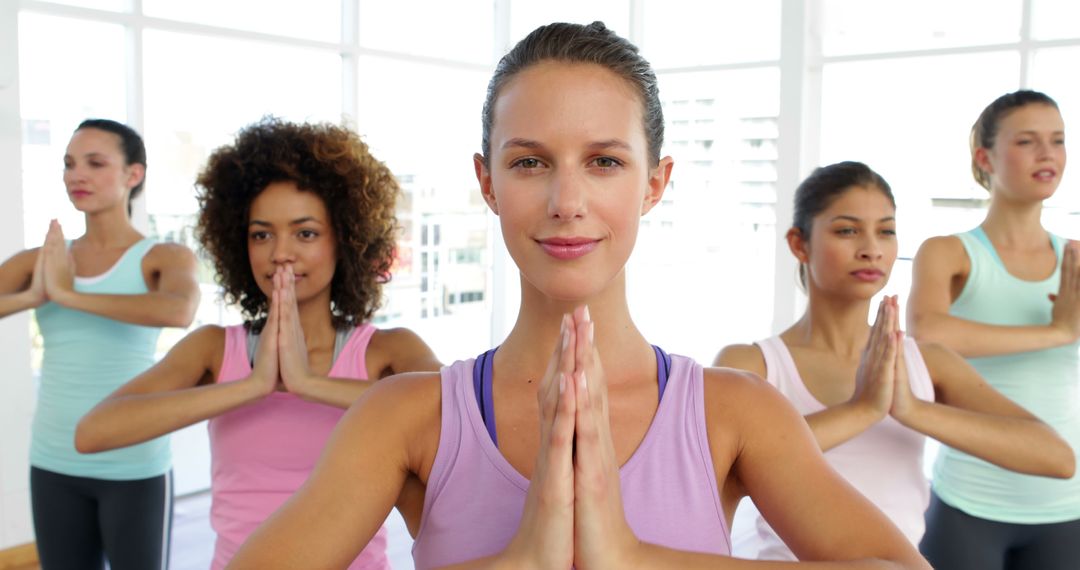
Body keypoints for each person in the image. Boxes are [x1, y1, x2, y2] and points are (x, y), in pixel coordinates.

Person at [228, 23, 929, 569]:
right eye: (530, 162)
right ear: (487, 181)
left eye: (604, 162)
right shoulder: (405, 419)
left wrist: (630, 557)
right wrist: (523, 559)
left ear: (655, 182)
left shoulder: (736, 414)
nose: (567, 201)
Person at [75, 118, 441, 570]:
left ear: (344, 241)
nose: (279, 252)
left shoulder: (387, 351)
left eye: (305, 233)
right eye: (261, 234)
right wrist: (253, 385)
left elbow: (454, 418)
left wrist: (306, 383)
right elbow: (93, 433)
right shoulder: (212, 348)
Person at [715, 160, 1074, 560]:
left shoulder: (926, 363)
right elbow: (721, 475)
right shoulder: (753, 365)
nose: (871, 248)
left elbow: (1056, 459)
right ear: (799, 243)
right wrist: (863, 409)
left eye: (886, 231)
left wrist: (912, 409)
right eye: (847, 230)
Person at [0, 118, 200, 569]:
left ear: (134, 174)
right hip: (53, 462)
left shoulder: (162, 257)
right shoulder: (44, 261)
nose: (76, 175)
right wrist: (33, 295)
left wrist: (68, 296)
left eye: (95, 162)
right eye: (69, 164)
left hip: (134, 464)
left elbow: (178, 310)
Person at [908, 90, 1080, 569]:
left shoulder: (1076, 260)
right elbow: (928, 337)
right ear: (985, 157)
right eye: (1027, 141)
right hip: (969, 503)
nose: (1048, 154)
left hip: (1067, 504)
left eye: (1059, 140)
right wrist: (1058, 331)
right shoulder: (949, 253)